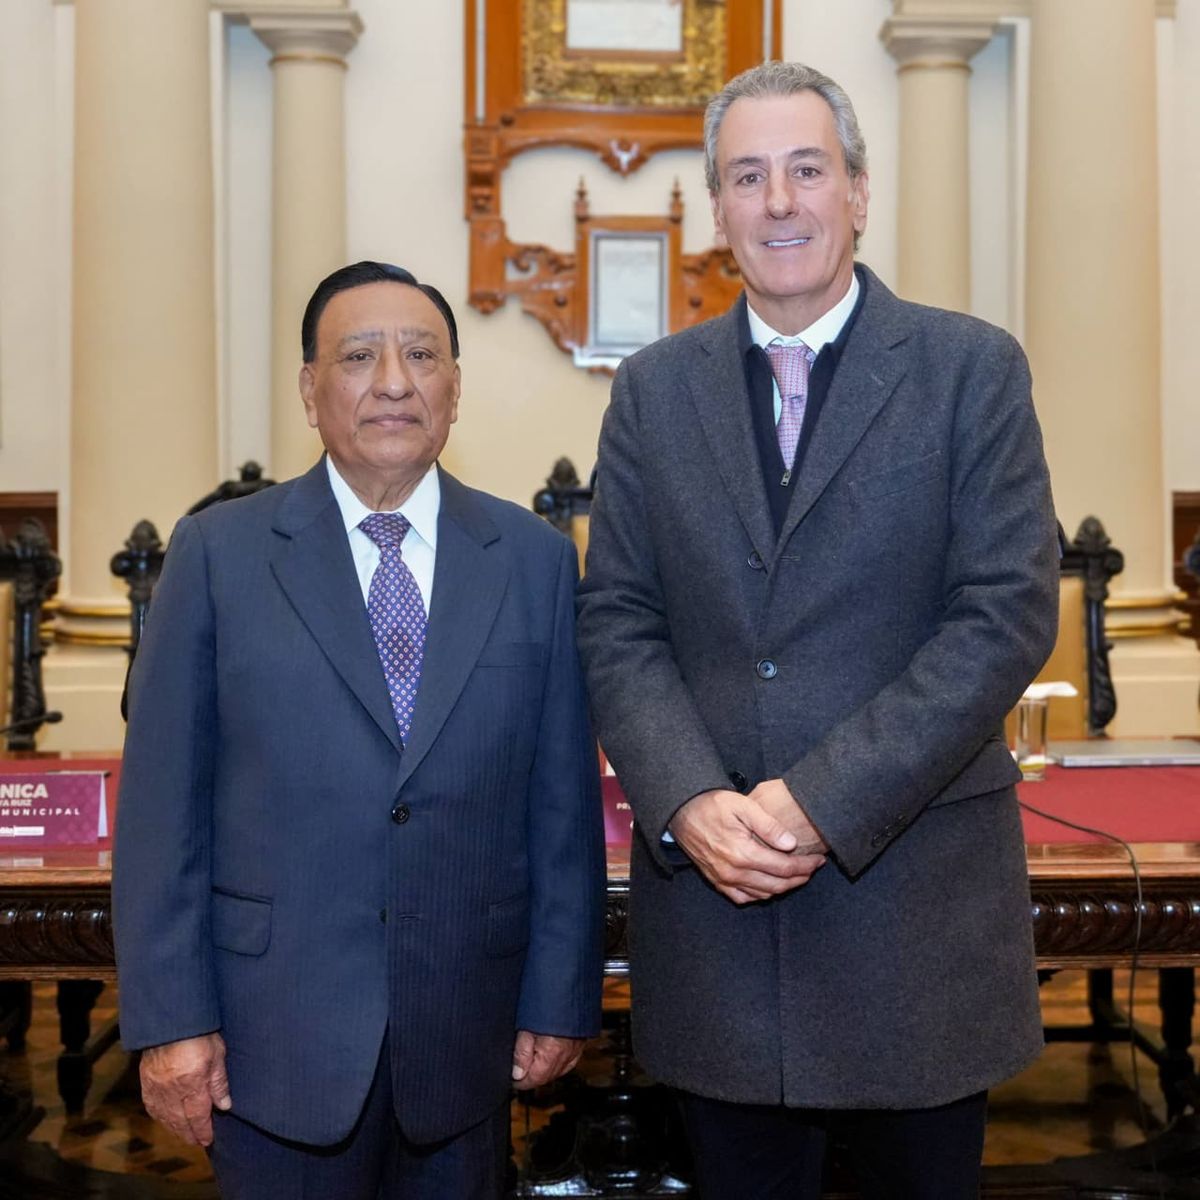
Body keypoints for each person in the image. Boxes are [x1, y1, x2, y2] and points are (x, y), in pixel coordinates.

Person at [576, 61, 1059, 1198]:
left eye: (807, 169)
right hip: (719, 923)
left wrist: (821, 800)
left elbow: (1004, 612)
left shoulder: (970, 370)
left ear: (859, 191)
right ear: (718, 207)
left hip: (913, 925)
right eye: (748, 177)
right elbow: (619, 619)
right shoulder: (653, 390)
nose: (780, 201)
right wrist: (687, 799)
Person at [113, 261, 605, 1199]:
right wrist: (172, 1023)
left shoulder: (533, 562)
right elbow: (161, 815)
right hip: (268, 1044)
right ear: (309, 390)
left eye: (421, 355)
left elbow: (562, 810)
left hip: (467, 1038)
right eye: (358, 357)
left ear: (454, 388)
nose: (392, 382)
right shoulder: (218, 555)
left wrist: (559, 995)